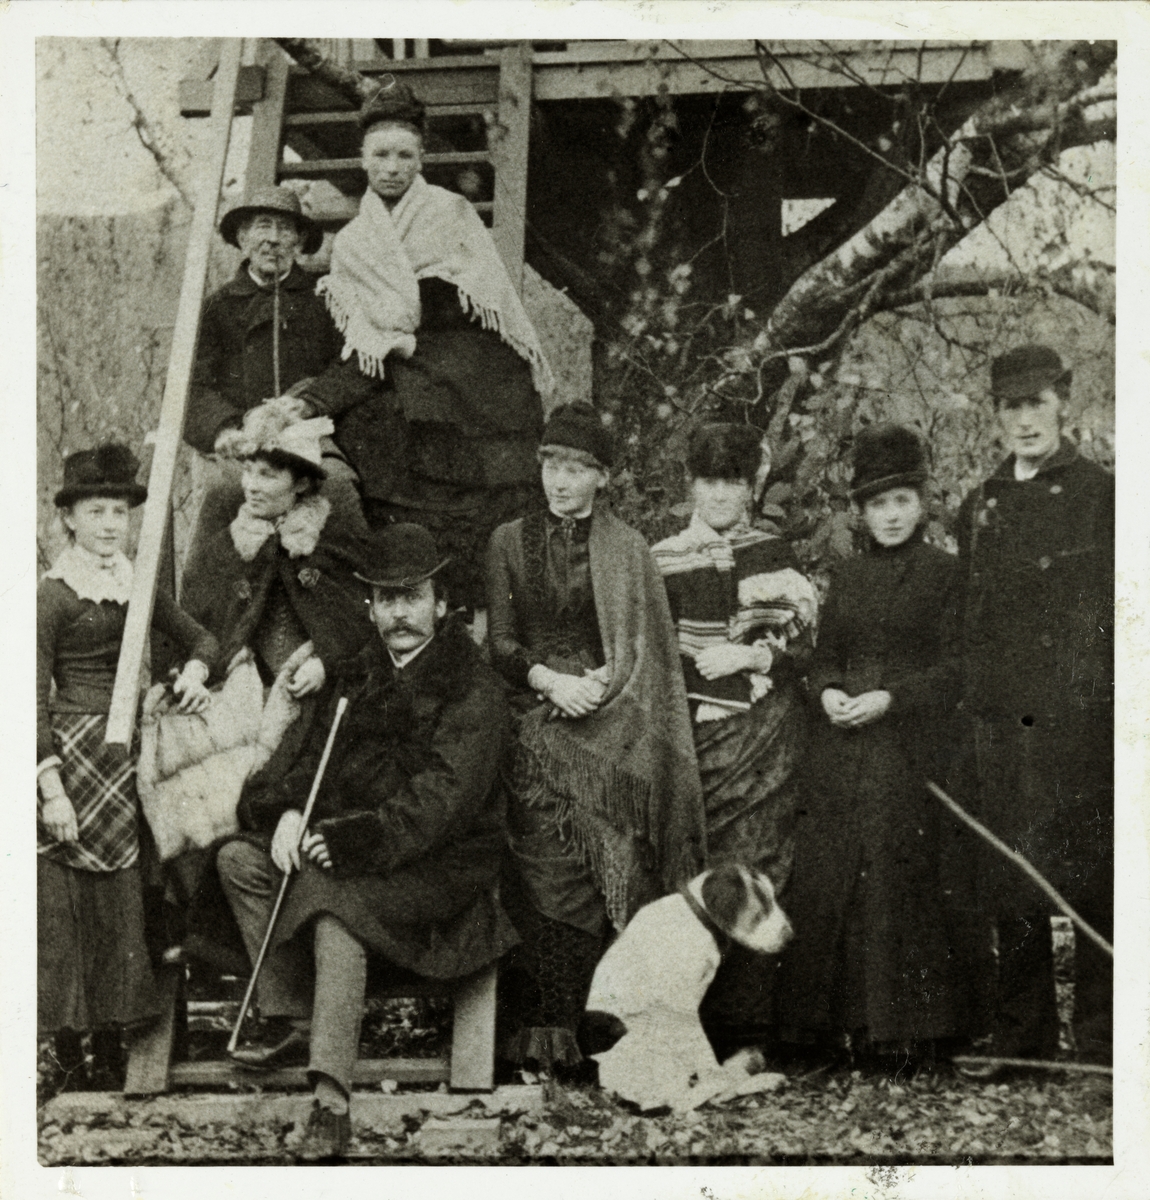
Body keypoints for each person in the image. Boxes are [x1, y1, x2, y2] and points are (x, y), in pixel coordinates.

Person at [214, 523, 518, 1159]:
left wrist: (356, 839)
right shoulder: (355, 676)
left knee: (333, 910)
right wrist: (290, 813)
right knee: (240, 861)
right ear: (371, 607)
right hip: (348, 854)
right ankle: (295, 1016)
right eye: (385, 600)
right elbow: (295, 765)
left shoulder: (473, 686)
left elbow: (445, 801)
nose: (398, 614)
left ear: (441, 604)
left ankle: (330, 1101)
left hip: (439, 870)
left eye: (412, 597)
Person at [485, 403, 705, 1073]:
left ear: (603, 477)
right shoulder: (506, 542)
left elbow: (647, 650)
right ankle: (543, 1032)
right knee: (546, 866)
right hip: (534, 721)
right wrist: (550, 681)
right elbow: (498, 643)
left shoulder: (630, 548)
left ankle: (607, 1033)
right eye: (552, 464)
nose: (561, 480)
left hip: (614, 728)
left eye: (578, 468)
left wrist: (605, 685)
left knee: (615, 861)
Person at [295, 82, 550, 611]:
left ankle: (486, 601)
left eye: (404, 155)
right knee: (375, 425)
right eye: (381, 155)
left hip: (463, 350)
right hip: (393, 360)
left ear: (421, 159)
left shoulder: (450, 211)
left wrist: (410, 334)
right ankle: (409, 587)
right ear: (363, 159)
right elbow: (362, 341)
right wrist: (319, 396)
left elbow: (476, 300)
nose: (392, 167)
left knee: (483, 436)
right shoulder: (354, 242)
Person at [774, 425, 968, 1071]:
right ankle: (828, 1032)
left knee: (892, 874)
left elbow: (956, 668)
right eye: (878, 504)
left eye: (902, 501)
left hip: (908, 747)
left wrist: (891, 699)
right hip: (838, 744)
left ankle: (902, 1033)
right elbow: (826, 655)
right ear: (861, 511)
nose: (889, 515)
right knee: (828, 873)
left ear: (922, 504)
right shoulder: (849, 577)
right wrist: (827, 691)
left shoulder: (947, 575)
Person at [953, 346, 1114, 1070]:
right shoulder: (979, 503)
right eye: (1009, 406)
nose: (1022, 419)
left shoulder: (1101, 494)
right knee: (1009, 874)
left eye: (1035, 402)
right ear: (996, 415)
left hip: (1079, 721)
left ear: (1064, 402)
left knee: (1089, 874)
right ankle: (1025, 1041)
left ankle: (1104, 1041)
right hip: (1000, 722)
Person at [38, 444, 216, 1087]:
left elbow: (201, 638)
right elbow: (29, 695)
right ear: (70, 520)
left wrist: (195, 668)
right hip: (71, 757)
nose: (111, 524)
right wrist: (49, 787)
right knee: (66, 907)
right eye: (96, 511)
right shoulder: (53, 596)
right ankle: (66, 1049)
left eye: (119, 511)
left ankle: (121, 1044)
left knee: (130, 900)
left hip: (129, 760)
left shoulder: (137, 585)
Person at [652, 423, 817, 1054]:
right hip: (691, 735)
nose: (722, 494)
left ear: (752, 488)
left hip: (765, 733)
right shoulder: (661, 556)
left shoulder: (774, 551)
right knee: (697, 869)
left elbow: (803, 639)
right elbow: (650, 647)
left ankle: (755, 1031)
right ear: (692, 484)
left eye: (735, 482)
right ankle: (694, 1029)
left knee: (762, 867)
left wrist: (750, 658)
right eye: (710, 480)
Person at [178, 409, 376, 831]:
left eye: (267, 475)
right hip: (239, 691)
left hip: (315, 700)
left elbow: (362, 625)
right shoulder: (224, 548)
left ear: (301, 483)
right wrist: (199, 671)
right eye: (248, 471)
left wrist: (326, 660)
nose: (250, 485)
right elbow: (198, 627)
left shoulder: (331, 545)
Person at [184, 185, 367, 567]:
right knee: (225, 490)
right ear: (242, 237)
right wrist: (225, 430)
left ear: (299, 241)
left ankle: (345, 604)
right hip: (245, 443)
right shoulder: (217, 309)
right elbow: (192, 386)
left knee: (337, 487)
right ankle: (205, 611)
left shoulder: (326, 298)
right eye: (262, 227)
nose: (273, 239)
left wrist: (308, 403)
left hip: (310, 437)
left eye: (285, 229)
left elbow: (354, 366)